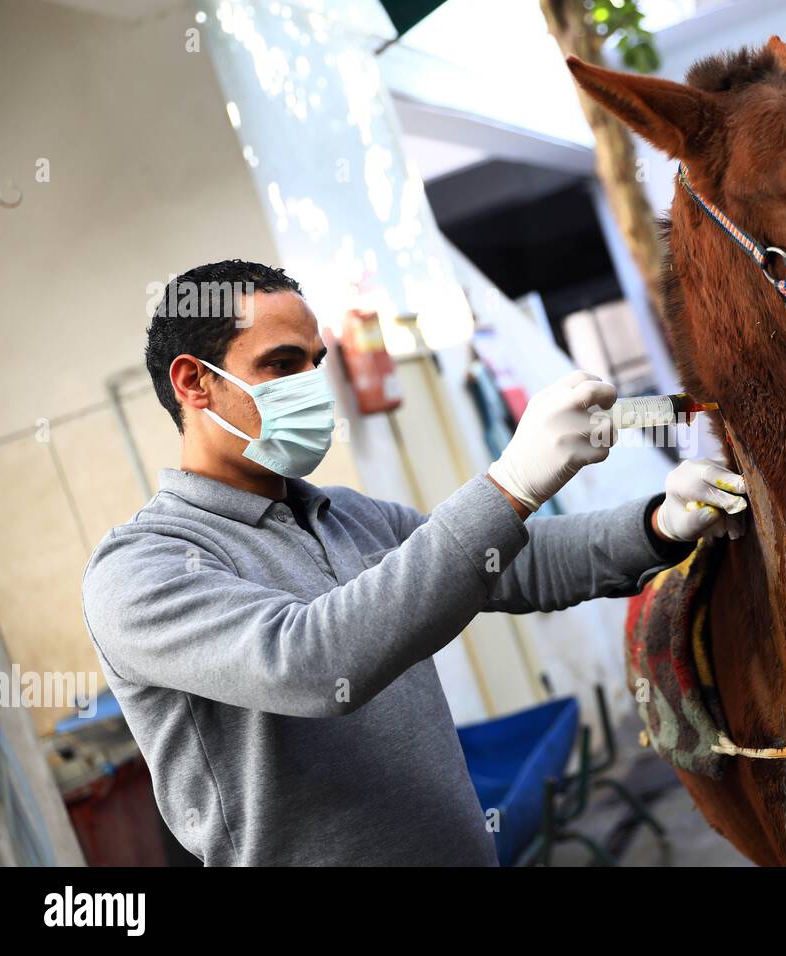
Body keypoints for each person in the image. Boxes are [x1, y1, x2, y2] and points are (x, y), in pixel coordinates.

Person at [81, 259, 747, 865]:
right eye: (282, 365)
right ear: (195, 383)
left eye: (316, 363)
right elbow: (313, 663)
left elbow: (519, 561)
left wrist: (659, 521)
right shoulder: (141, 569)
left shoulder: (347, 515)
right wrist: (510, 483)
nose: (312, 388)